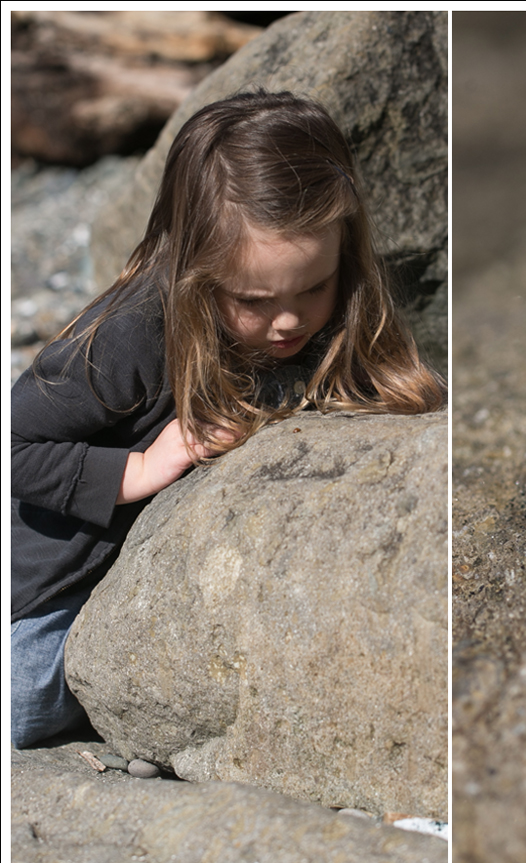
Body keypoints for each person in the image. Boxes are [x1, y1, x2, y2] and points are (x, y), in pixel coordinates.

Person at [10, 89, 445, 749]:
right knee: (26, 708)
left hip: (131, 577)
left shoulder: (331, 305)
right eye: (254, 300)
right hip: (44, 582)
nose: (290, 319)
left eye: (314, 287)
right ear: (194, 270)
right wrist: (137, 468)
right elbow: (14, 440)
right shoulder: (132, 336)